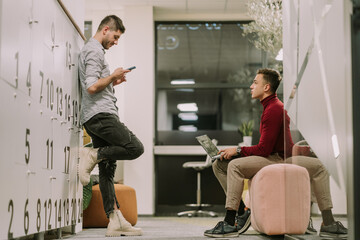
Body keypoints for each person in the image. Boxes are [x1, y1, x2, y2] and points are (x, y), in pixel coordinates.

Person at [204, 68, 347, 238]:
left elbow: (265, 150)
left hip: (276, 159)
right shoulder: (271, 107)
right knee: (219, 164)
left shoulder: (273, 109)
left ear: (266, 87)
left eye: (255, 82)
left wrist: (238, 150)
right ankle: (243, 212)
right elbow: (282, 144)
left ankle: (229, 223)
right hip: (276, 156)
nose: (251, 86)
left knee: (234, 166)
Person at [78, 15, 144, 237]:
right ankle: (93, 154)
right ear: (106, 29)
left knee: (107, 170)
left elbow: (98, 84)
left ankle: (114, 219)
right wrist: (112, 75)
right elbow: (90, 87)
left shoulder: (95, 52)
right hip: (101, 115)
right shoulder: (94, 51)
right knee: (135, 148)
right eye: (115, 37)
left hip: (96, 114)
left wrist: (113, 81)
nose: (116, 42)